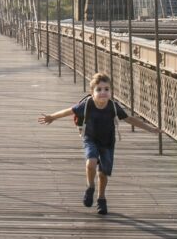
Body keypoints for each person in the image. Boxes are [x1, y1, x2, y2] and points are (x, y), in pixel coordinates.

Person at [37, 73, 160, 215]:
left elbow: (129, 119)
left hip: (108, 143)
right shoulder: (87, 104)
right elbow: (69, 111)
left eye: (107, 89)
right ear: (92, 92)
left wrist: (150, 129)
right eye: (99, 89)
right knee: (91, 162)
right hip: (90, 139)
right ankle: (90, 187)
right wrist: (52, 117)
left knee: (103, 174)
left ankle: (101, 198)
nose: (103, 93)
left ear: (111, 92)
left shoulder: (113, 107)